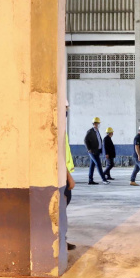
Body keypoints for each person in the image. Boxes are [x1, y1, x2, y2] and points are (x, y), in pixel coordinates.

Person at [64, 100, 76, 251]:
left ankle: (62, 239)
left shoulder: (62, 128)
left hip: (64, 175)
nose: (67, 112)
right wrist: (68, 177)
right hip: (62, 177)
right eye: (65, 108)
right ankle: (61, 240)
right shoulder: (57, 128)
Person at [84, 117, 109, 185]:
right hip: (92, 152)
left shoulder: (97, 131)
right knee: (98, 164)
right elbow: (85, 140)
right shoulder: (90, 131)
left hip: (97, 151)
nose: (98, 124)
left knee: (92, 166)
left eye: (99, 123)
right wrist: (89, 149)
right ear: (94, 123)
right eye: (98, 123)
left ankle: (90, 180)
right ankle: (104, 179)